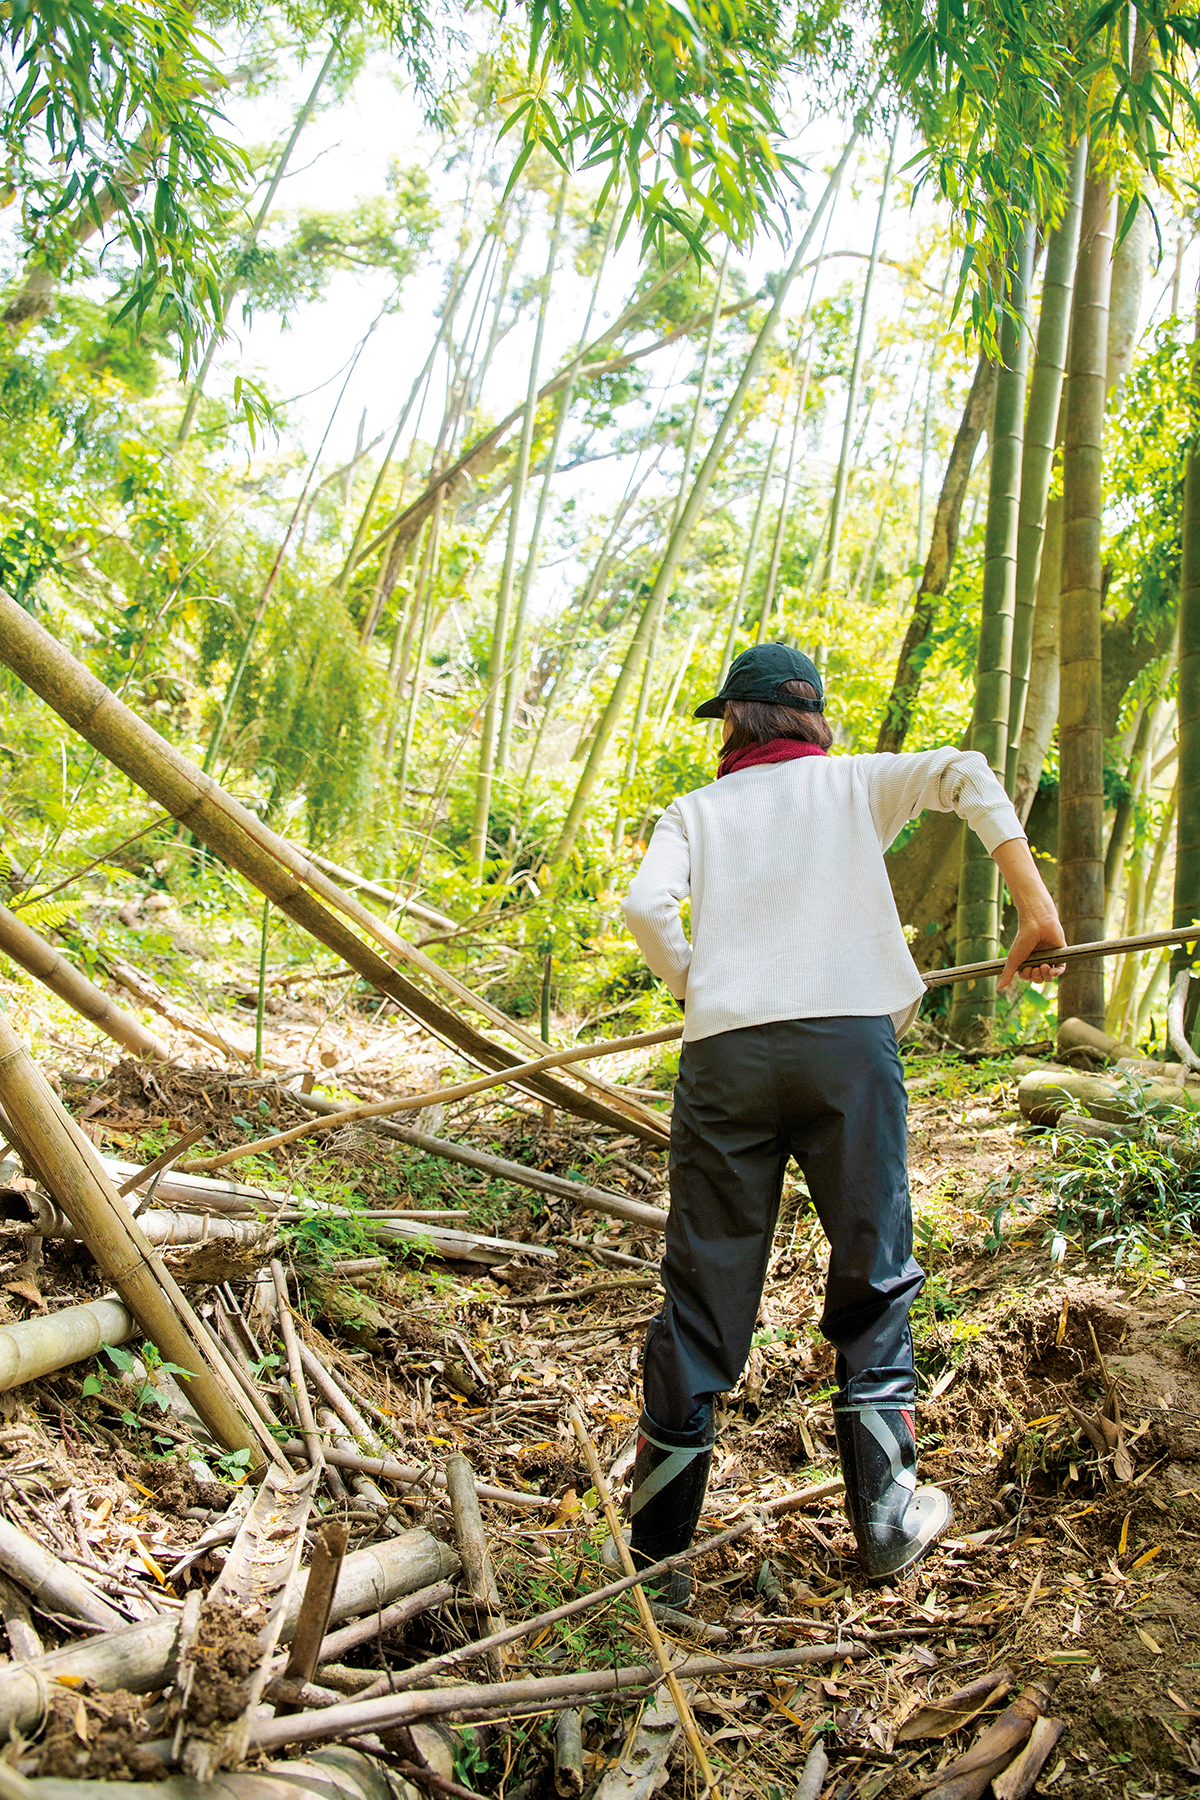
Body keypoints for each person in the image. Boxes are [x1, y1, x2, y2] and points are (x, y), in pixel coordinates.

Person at [618, 643, 1066, 1587]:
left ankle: (655, 1554)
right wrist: (1035, 905)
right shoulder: (859, 784)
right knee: (871, 1264)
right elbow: (968, 774)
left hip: (726, 1058)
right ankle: (887, 1515)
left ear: (733, 721)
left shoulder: (695, 811)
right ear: (813, 718)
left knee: (703, 1287)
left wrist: (706, 988)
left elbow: (647, 905)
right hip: (849, 1054)